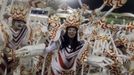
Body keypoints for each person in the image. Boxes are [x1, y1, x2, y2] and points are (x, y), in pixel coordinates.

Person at [17, 12, 89, 75]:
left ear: (76, 32)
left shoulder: (81, 44)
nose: (71, 32)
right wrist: (33, 50)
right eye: (69, 30)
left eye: (73, 30)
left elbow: (84, 60)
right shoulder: (60, 40)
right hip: (56, 70)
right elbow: (48, 49)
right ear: (66, 31)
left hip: (70, 72)